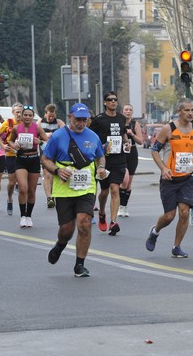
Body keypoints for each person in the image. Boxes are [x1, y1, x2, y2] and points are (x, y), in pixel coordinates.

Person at [42, 103, 106, 277]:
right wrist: (56, 170)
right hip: (64, 188)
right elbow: (45, 159)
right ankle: (60, 245)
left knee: (84, 223)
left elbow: (100, 157)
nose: (81, 123)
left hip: (87, 187)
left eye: (84, 120)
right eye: (78, 119)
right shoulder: (58, 136)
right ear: (70, 117)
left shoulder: (93, 136)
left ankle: (80, 264)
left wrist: (101, 168)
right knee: (67, 229)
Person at [145, 98, 193, 258]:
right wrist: (163, 168)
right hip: (169, 179)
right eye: (187, 110)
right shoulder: (168, 129)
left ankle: (176, 246)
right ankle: (155, 231)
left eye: (192, 110)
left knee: (184, 213)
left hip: (187, 178)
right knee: (169, 216)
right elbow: (154, 150)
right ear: (179, 112)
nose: (190, 113)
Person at [89, 91, 128, 235]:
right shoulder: (99, 119)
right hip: (103, 160)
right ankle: (101, 212)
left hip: (119, 159)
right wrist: (101, 147)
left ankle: (113, 222)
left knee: (115, 189)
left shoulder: (121, 118)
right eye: (110, 100)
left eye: (115, 100)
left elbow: (123, 133)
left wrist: (127, 143)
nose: (113, 102)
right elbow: (91, 138)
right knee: (104, 192)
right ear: (105, 102)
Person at [8, 106, 48, 228]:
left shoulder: (37, 127)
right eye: (25, 115)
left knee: (31, 190)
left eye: (30, 115)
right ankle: (22, 216)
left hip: (34, 159)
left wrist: (39, 142)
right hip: (21, 159)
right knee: (23, 188)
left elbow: (47, 142)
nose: (27, 117)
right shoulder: (16, 128)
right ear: (22, 116)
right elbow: (10, 141)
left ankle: (28, 216)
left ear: (33, 117)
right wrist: (14, 146)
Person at [0, 102, 23, 215]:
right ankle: (9, 198)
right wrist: (3, 146)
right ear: (13, 112)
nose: (19, 114)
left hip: (23, 154)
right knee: (12, 182)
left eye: (21, 112)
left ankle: (24, 207)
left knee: (23, 183)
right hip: (11, 155)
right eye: (17, 112)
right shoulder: (8, 122)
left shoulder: (26, 122)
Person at [37, 104, 65, 209]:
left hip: (57, 151)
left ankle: (52, 192)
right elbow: (35, 133)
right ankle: (49, 198)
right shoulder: (40, 122)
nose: (51, 118)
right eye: (49, 116)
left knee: (53, 174)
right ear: (45, 114)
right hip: (44, 150)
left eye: (53, 116)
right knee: (46, 174)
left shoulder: (59, 122)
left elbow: (65, 134)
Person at [118, 104, 143, 218]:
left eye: (130, 110)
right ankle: (119, 205)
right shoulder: (118, 122)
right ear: (122, 111)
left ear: (132, 112)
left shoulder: (135, 124)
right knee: (124, 180)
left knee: (128, 184)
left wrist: (132, 134)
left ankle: (124, 207)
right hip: (121, 154)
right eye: (126, 109)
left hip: (132, 153)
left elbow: (140, 141)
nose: (128, 112)